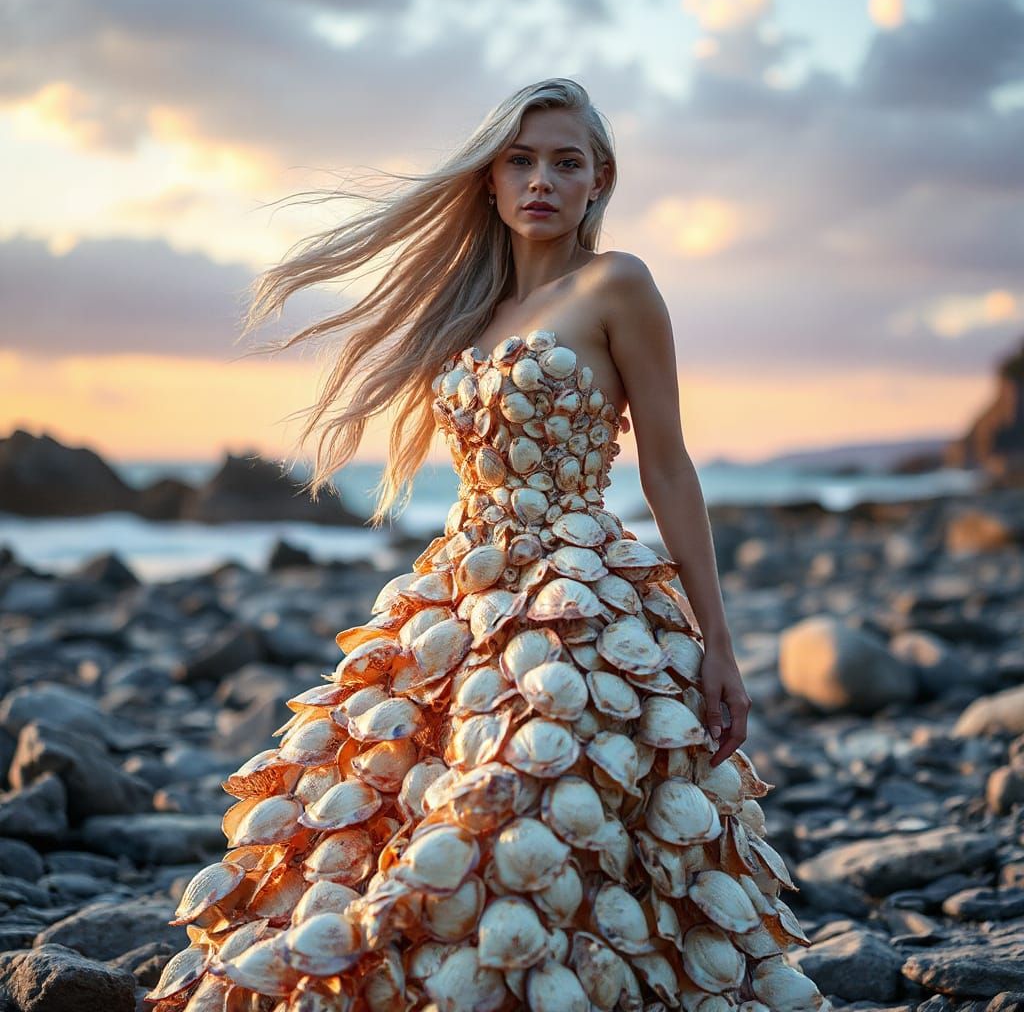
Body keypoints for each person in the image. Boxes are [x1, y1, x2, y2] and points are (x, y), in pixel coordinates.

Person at [147, 78, 826, 1012]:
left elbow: (668, 466)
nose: (540, 179)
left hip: (579, 594)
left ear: (600, 182)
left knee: (544, 795)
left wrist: (719, 643)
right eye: (520, 159)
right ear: (491, 180)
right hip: (460, 593)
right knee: (390, 806)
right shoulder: (472, 313)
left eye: (565, 161)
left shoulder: (618, 284)